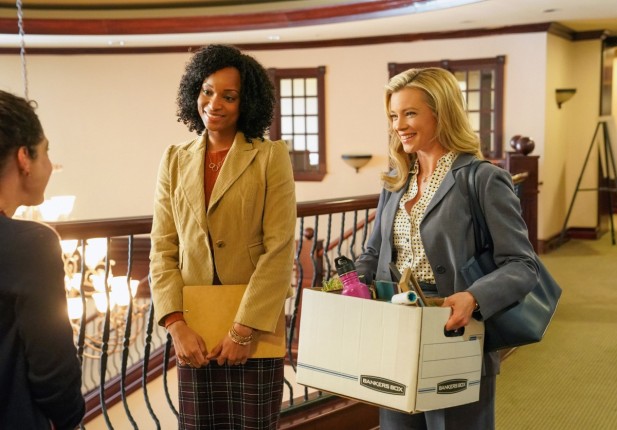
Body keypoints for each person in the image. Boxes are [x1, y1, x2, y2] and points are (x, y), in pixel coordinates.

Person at [354, 68, 539, 429]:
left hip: (456, 328)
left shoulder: (483, 178)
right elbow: (373, 253)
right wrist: (350, 285)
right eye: (393, 115)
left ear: (442, 113)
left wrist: (473, 297)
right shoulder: (395, 181)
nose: (398, 125)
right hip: (395, 331)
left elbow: (522, 264)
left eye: (410, 113)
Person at [149, 44, 296, 429]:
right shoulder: (173, 158)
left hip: (253, 326)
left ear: (246, 103)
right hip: (194, 330)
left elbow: (279, 248)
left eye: (229, 96)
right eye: (208, 91)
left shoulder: (270, 156)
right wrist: (176, 325)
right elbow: (162, 247)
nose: (214, 104)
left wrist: (242, 331)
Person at [0, 90, 85, 429]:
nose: (49, 165)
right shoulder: (30, 244)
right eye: (46, 151)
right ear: (24, 157)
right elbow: (53, 370)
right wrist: (70, 417)